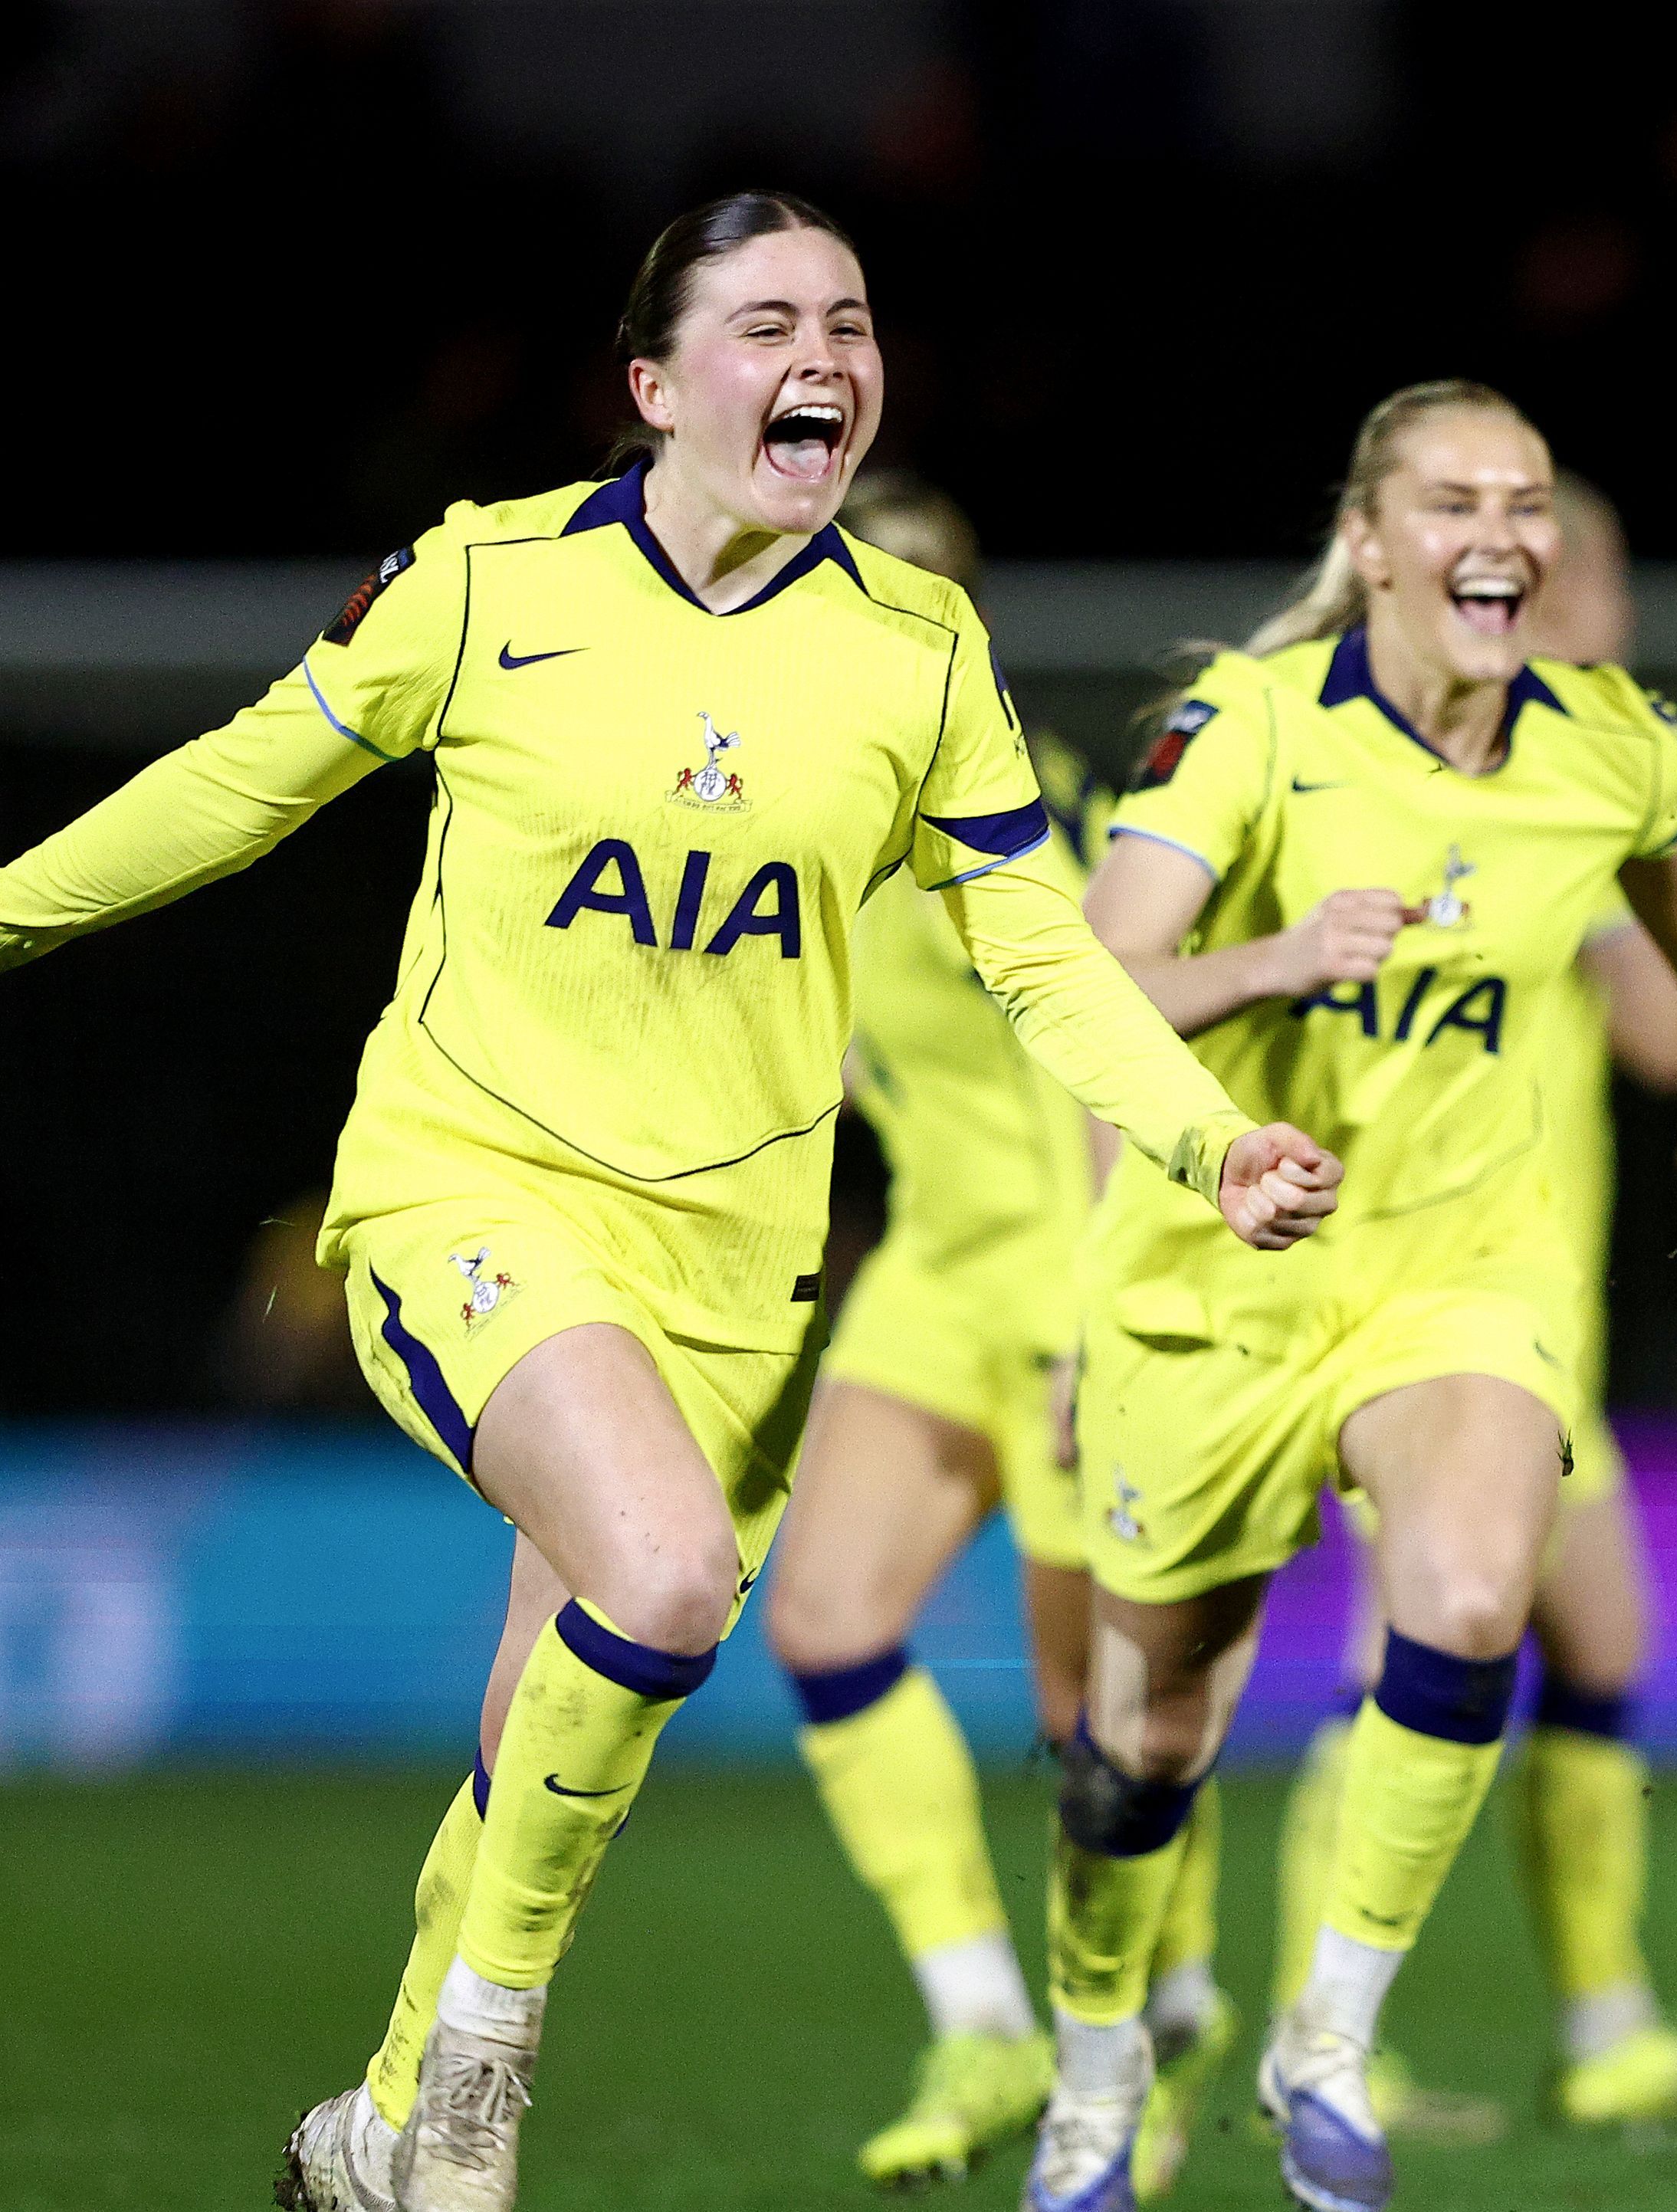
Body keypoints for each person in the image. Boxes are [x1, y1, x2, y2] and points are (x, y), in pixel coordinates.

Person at [0, 194, 1340, 2212]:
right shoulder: (485, 575)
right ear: (654, 384)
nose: (827, 353)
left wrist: (1196, 1134)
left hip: (737, 1272)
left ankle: (366, 2123)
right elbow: (244, 780)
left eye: (855, 321)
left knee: (556, 1692)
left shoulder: (913, 646)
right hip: (477, 1188)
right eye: (770, 317)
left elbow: (1045, 950)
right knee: (679, 1576)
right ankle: (471, 2091)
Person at [1034, 381, 1677, 2212]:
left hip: (1460, 1273)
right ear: (1370, 541)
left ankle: (1330, 2042)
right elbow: (1092, 982)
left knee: (1466, 1593)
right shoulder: (1249, 732)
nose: (1499, 535)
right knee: (1155, 1738)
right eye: (1453, 501)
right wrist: (1282, 958)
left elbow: (1670, 845)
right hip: (1227, 1278)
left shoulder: (1608, 739)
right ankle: (1094, 2065)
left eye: (1523, 502)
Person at [1268, 471, 1677, 2135]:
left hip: (1526, 1309)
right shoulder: (1511, 780)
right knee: (1409, 1652)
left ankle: (1603, 2026)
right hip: (1416, 1309)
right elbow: (1660, 1037)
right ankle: (1325, 2037)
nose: (1617, 615)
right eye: (1603, 582)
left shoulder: (1550, 761)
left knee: (1599, 1642)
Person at [749, 470, 1244, 2196]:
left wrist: (1094, 1324)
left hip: (1065, 1280)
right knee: (820, 1621)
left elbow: (1086, 1063)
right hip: (935, 1277)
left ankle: (1167, 2025)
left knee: (1088, 1713)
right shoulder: (792, 799)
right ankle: (979, 2020)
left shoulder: (1024, 815)